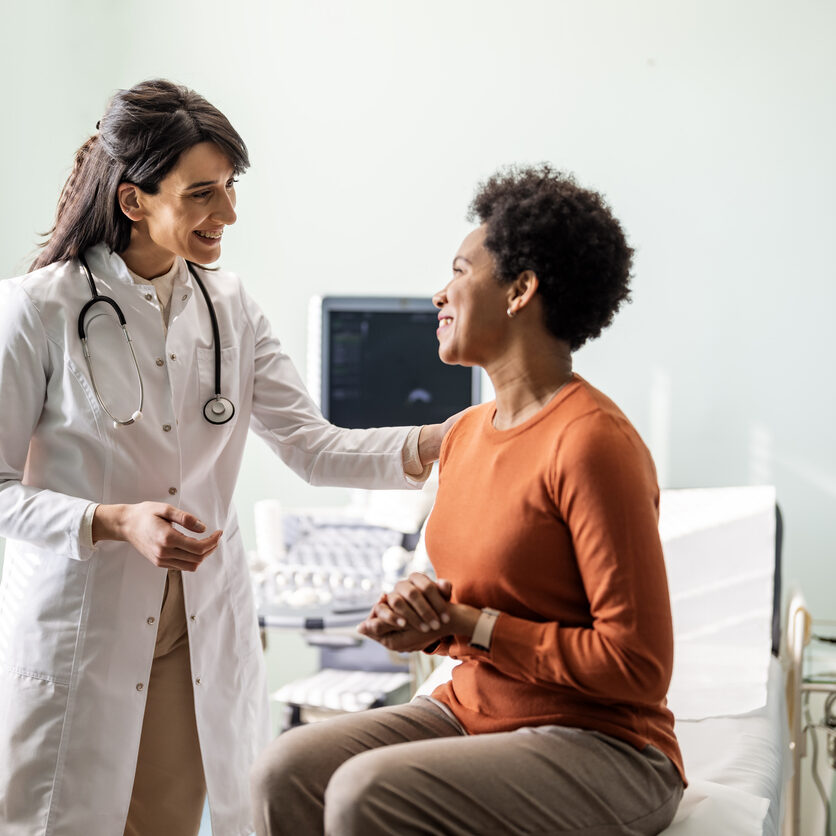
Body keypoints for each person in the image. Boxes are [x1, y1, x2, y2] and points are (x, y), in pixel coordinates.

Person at [0, 79, 453, 836]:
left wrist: (455, 437)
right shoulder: (37, 310)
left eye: (232, 187)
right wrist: (115, 521)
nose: (229, 214)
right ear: (133, 200)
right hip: (85, 621)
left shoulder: (230, 305)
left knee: (172, 822)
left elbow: (315, 447)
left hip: (198, 619)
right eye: (203, 193)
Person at [250, 164, 686, 835]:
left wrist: (469, 625)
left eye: (459, 270)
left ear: (520, 291)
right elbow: (471, 592)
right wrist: (422, 611)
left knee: (366, 792)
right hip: (473, 710)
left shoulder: (593, 443)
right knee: (284, 771)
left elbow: (638, 667)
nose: (439, 294)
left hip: (604, 743)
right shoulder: (465, 436)